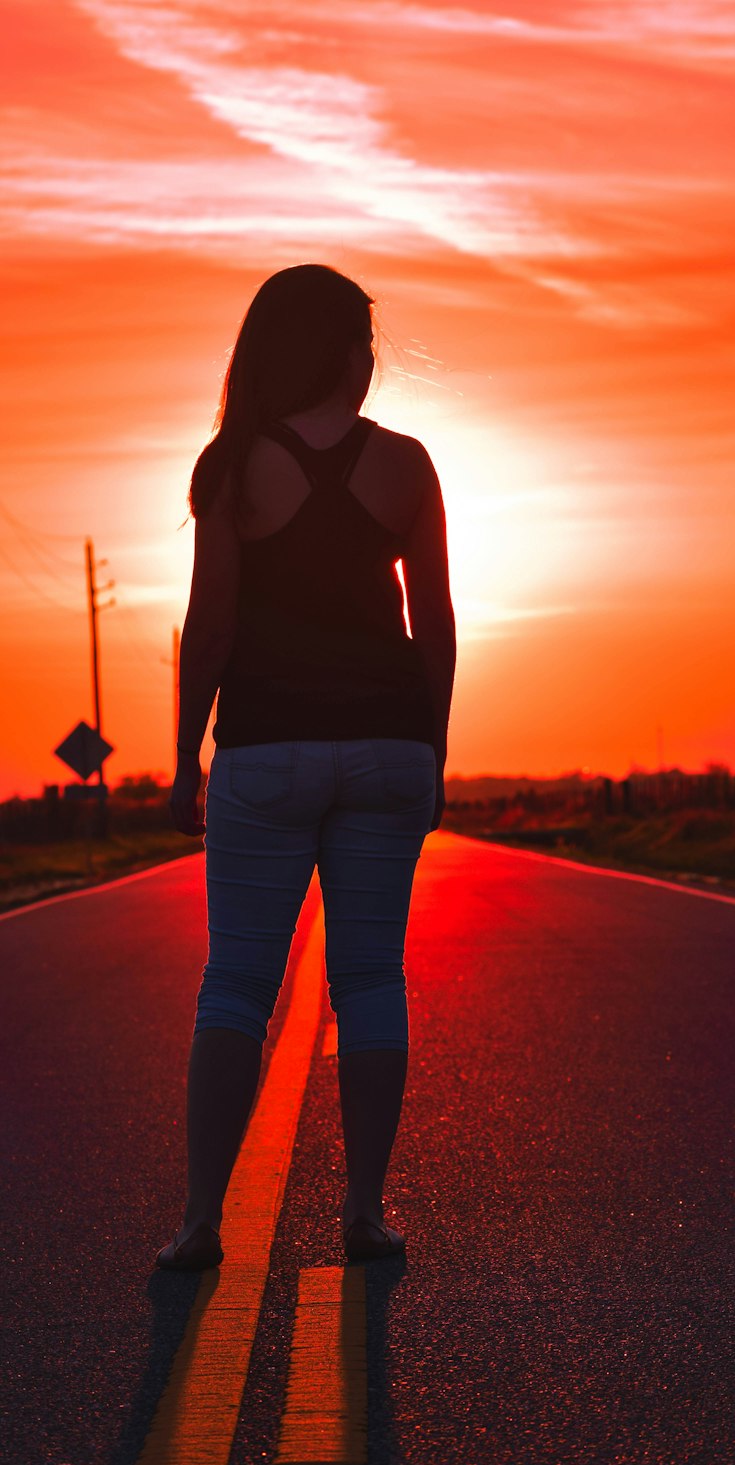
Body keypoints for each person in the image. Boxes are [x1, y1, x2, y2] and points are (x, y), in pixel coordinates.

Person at [157, 264, 456, 1271]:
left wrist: (183, 759)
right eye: (364, 341)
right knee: (370, 978)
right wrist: (435, 746)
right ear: (338, 350)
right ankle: (364, 1214)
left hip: (267, 751)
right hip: (387, 748)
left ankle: (202, 1222)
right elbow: (436, 624)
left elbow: (212, 627)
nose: (371, 359)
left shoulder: (233, 465)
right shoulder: (409, 466)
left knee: (237, 983)